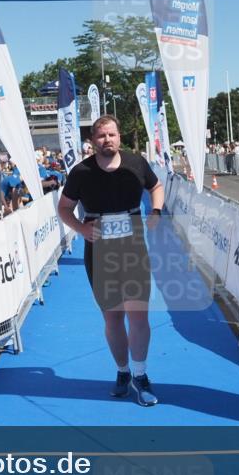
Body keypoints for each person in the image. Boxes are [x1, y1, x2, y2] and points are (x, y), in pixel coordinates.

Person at [56, 115, 164, 407]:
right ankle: (123, 372)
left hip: (133, 248)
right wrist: (81, 228)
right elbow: (64, 208)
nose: (108, 140)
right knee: (113, 317)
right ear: (92, 140)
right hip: (100, 251)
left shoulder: (136, 163)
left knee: (138, 315)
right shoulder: (81, 172)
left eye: (112, 135)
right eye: (102, 136)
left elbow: (156, 187)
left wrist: (155, 211)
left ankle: (140, 376)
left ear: (120, 137)